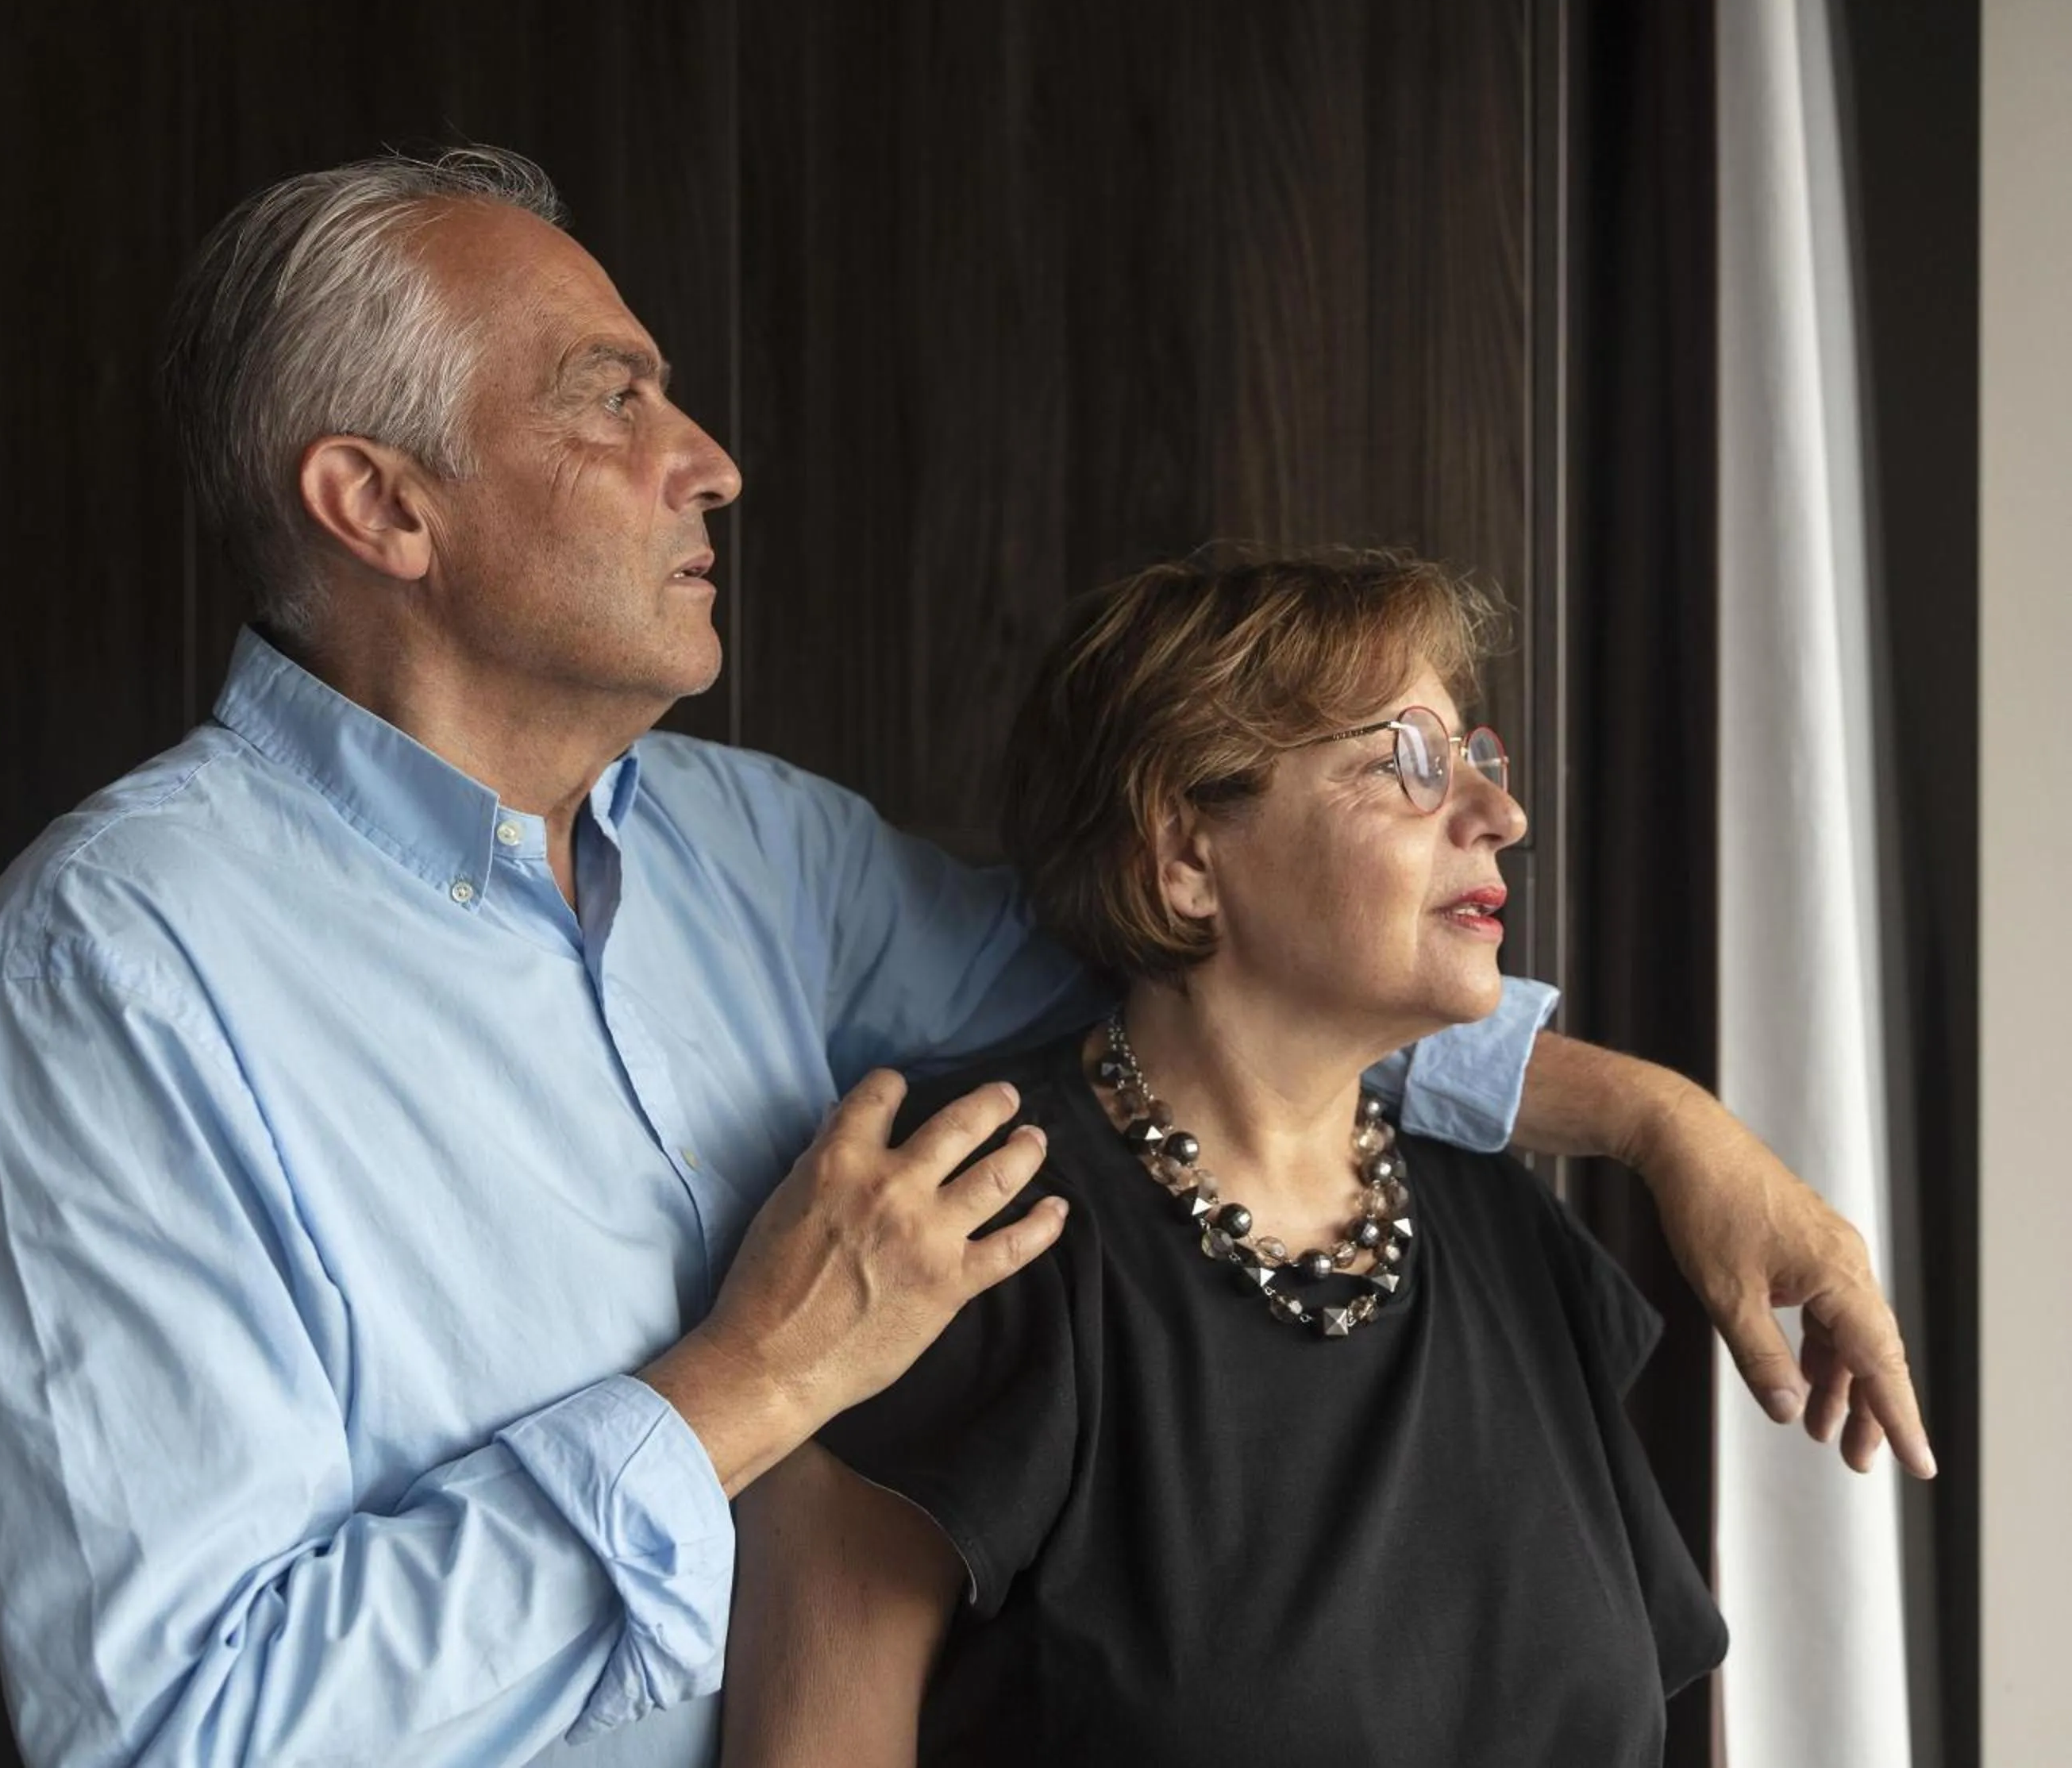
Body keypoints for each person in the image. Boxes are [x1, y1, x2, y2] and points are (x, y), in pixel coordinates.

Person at [0, 148, 1927, 1768]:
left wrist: (1665, 1128)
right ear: (379, 505)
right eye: (610, 396)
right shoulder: (115, 973)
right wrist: (742, 1385)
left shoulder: (752, 847)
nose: (706, 456)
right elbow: (182, 1730)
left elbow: (1204, 999)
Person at [721, 550, 1729, 1767]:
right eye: (1405, 759)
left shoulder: (1510, 1232)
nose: (1499, 814)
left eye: (1478, 756)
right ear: (1188, 858)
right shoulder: (960, 1224)